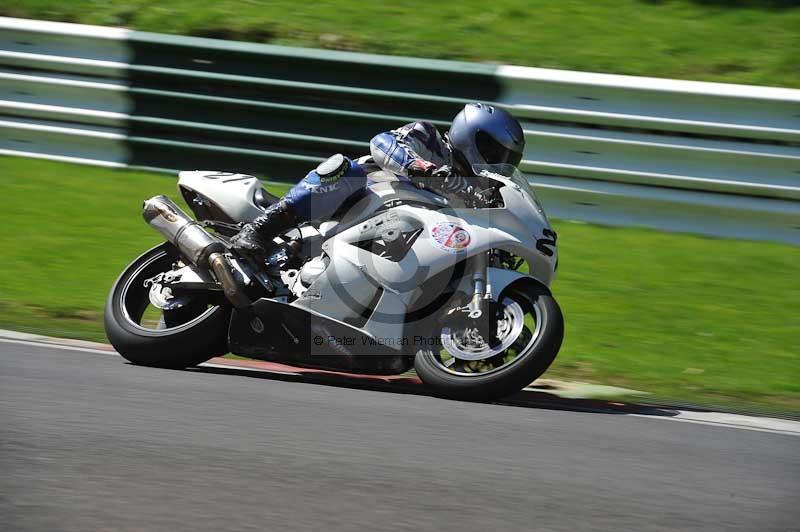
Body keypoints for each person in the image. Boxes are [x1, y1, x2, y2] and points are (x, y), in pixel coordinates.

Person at [230, 102, 525, 255]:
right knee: (347, 172)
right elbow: (383, 143)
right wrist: (424, 168)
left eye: (507, 160)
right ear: (473, 137)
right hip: (355, 201)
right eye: (495, 152)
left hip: (390, 238)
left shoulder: (469, 192)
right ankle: (259, 229)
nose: (499, 163)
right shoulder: (429, 137)